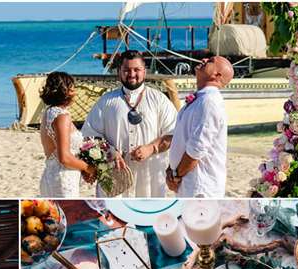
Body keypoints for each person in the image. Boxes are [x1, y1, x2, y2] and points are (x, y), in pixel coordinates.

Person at [81, 50, 178, 197]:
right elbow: (89, 136)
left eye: (136, 70)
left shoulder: (160, 100)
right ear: (119, 72)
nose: (132, 74)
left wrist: (151, 148)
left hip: (149, 178)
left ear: (144, 72)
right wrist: (110, 151)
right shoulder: (106, 101)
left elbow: (174, 133)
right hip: (114, 177)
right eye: (126, 70)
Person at [166, 55, 234, 197]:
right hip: (188, 183)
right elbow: (182, 139)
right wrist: (170, 170)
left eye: (210, 61)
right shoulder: (202, 99)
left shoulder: (210, 102)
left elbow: (196, 149)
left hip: (200, 187)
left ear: (217, 75)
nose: (203, 60)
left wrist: (175, 175)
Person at [38, 71, 96, 198]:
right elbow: (64, 157)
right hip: (63, 180)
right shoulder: (61, 117)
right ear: (65, 91)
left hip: (51, 175)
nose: (75, 92)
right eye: (72, 88)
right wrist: (88, 168)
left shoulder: (48, 113)